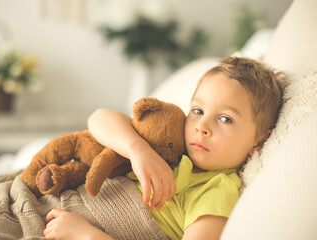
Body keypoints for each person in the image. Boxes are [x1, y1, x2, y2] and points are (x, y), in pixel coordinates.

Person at [43, 57, 284, 240]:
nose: (202, 127)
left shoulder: (216, 192)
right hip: (51, 199)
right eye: (198, 111)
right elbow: (98, 118)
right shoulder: (170, 144)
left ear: (259, 141)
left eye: (225, 119)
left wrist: (88, 235)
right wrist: (138, 151)